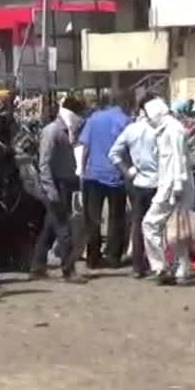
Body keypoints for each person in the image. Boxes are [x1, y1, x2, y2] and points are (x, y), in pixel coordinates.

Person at [30, 96, 88, 284]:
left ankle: (37, 266)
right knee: (64, 230)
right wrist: (51, 191)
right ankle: (68, 269)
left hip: (65, 185)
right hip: (55, 186)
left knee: (49, 229)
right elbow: (44, 164)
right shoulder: (52, 131)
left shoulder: (68, 131)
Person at [141, 97, 195, 285]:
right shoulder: (169, 128)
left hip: (172, 187)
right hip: (172, 186)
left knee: (150, 224)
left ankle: (160, 266)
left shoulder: (173, 130)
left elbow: (179, 159)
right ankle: (181, 269)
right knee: (176, 227)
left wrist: (178, 186)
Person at [108, 92, 158, 278]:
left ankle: (138, 266)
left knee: (138, 223)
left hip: (137, 182)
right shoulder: (160, 129)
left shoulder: (132, 129)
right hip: (159, 182)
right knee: (158, 224)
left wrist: (127, 170)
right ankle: (158, 263)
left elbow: (114, 154)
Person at [79, 91, 131, 269]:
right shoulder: (125, 120)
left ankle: (92, 258)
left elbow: (85, 147)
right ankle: (114, 256)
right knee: (116, 218)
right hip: (117, 176)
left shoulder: (93, 119)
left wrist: (82, 170)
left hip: (93, 175)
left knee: (92, 218)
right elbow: (129, 150)